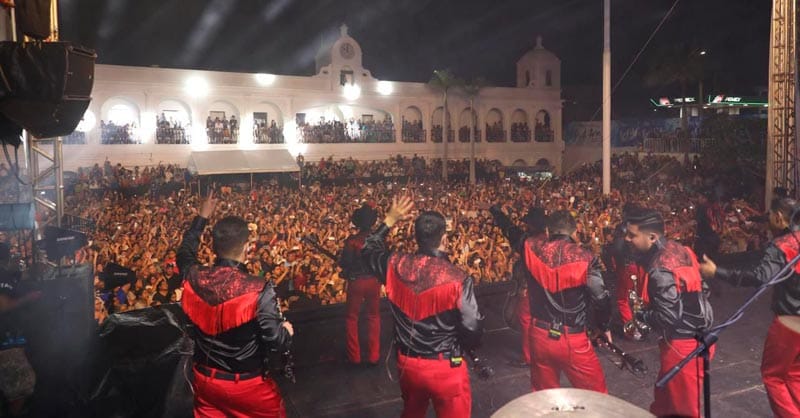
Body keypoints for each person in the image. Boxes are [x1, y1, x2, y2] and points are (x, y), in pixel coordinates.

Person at [362, 196, 482, 418]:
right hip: (446, 366)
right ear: (444, 238)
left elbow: (368, 248)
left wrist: (389, 219)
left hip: (408, 365)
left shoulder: (395, 265)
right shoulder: (457, 278)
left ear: (416, 237)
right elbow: (472, 326)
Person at [177, 190, 294, 418]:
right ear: (247, 246)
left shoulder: (194, 277)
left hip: (204, 382)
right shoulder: (258, 287)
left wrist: (202, 217)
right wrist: (286, 332)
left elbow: (185, 252)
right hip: (247, 386)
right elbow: (276, 341)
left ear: (213, 247)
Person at [700, 197, 800, 417]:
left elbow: (759, 276)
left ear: (779, 217)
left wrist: (717, 271)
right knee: (794, 374)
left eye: (770, 216)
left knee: (773, 376)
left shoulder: (782, 245)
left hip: (790, 324)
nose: (768, 221)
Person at [625, 207, 714, 417]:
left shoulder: (659, 267)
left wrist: (642, 314)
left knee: (683, 411)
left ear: (652, 237)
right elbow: (704, 289)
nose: (627, 239)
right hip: (698, 337)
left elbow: (668, 318)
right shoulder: (682, 250)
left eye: (632, 235)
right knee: (663, 404)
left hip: (683, 346)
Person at [520, 210, 611, 393]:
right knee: (596, 397)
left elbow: (513, 233)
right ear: (575, 232)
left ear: (548, 231)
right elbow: (600, 297)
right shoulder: (586, 257)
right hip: (573, 339)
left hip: (539, 335)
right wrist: (603, 327)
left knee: (544, 396)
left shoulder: (530, 248)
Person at [488, 204, 547, 366]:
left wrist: (497, 213)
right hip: (549, 289)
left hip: (530, 289)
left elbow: (510, 230)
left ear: (531, 225)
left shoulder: (528, 242)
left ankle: (528, 357)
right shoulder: (551, 241)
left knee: (526, 320)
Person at [339, 204, 382, 366]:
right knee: (374, 316)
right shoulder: (378, 239)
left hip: (356, 281)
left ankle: (354, 357)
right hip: (374, 281)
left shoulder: (352, 241)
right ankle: (374, 356)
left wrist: (344, 270)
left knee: (352, 318)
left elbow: (346, 263)